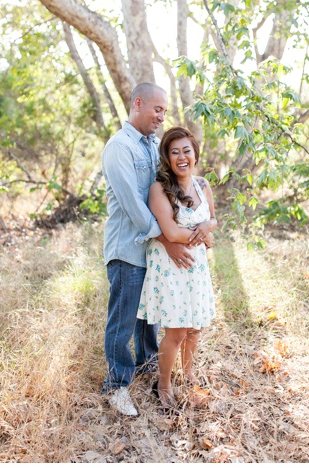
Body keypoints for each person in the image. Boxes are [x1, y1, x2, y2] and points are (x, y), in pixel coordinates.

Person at [100, 83, 201, 416]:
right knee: (123, 321)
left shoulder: (156, 145)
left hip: (155, 253)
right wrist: (169, 240)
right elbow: (133, 205)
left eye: (165, 110)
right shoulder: (119, 147)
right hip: (128, 248)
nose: (162, 116)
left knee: (151, 317)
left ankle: (148, 368)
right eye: (157, 109)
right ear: (138, 103)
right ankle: (116, 386)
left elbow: (169, 188)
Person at [137, 126, 217, 412]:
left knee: (195, 328)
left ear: (195, 152)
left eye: (186, 150)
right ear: (167, 158)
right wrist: (202, 234)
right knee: (177, 331)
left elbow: (213, 220)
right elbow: (170, 233)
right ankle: (164, 383)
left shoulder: (203, 185)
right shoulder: (159, 189)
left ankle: (190, 373)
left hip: (196, 267)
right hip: (172, 267)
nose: (182, 157)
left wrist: (207, 227)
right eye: (174, 152)